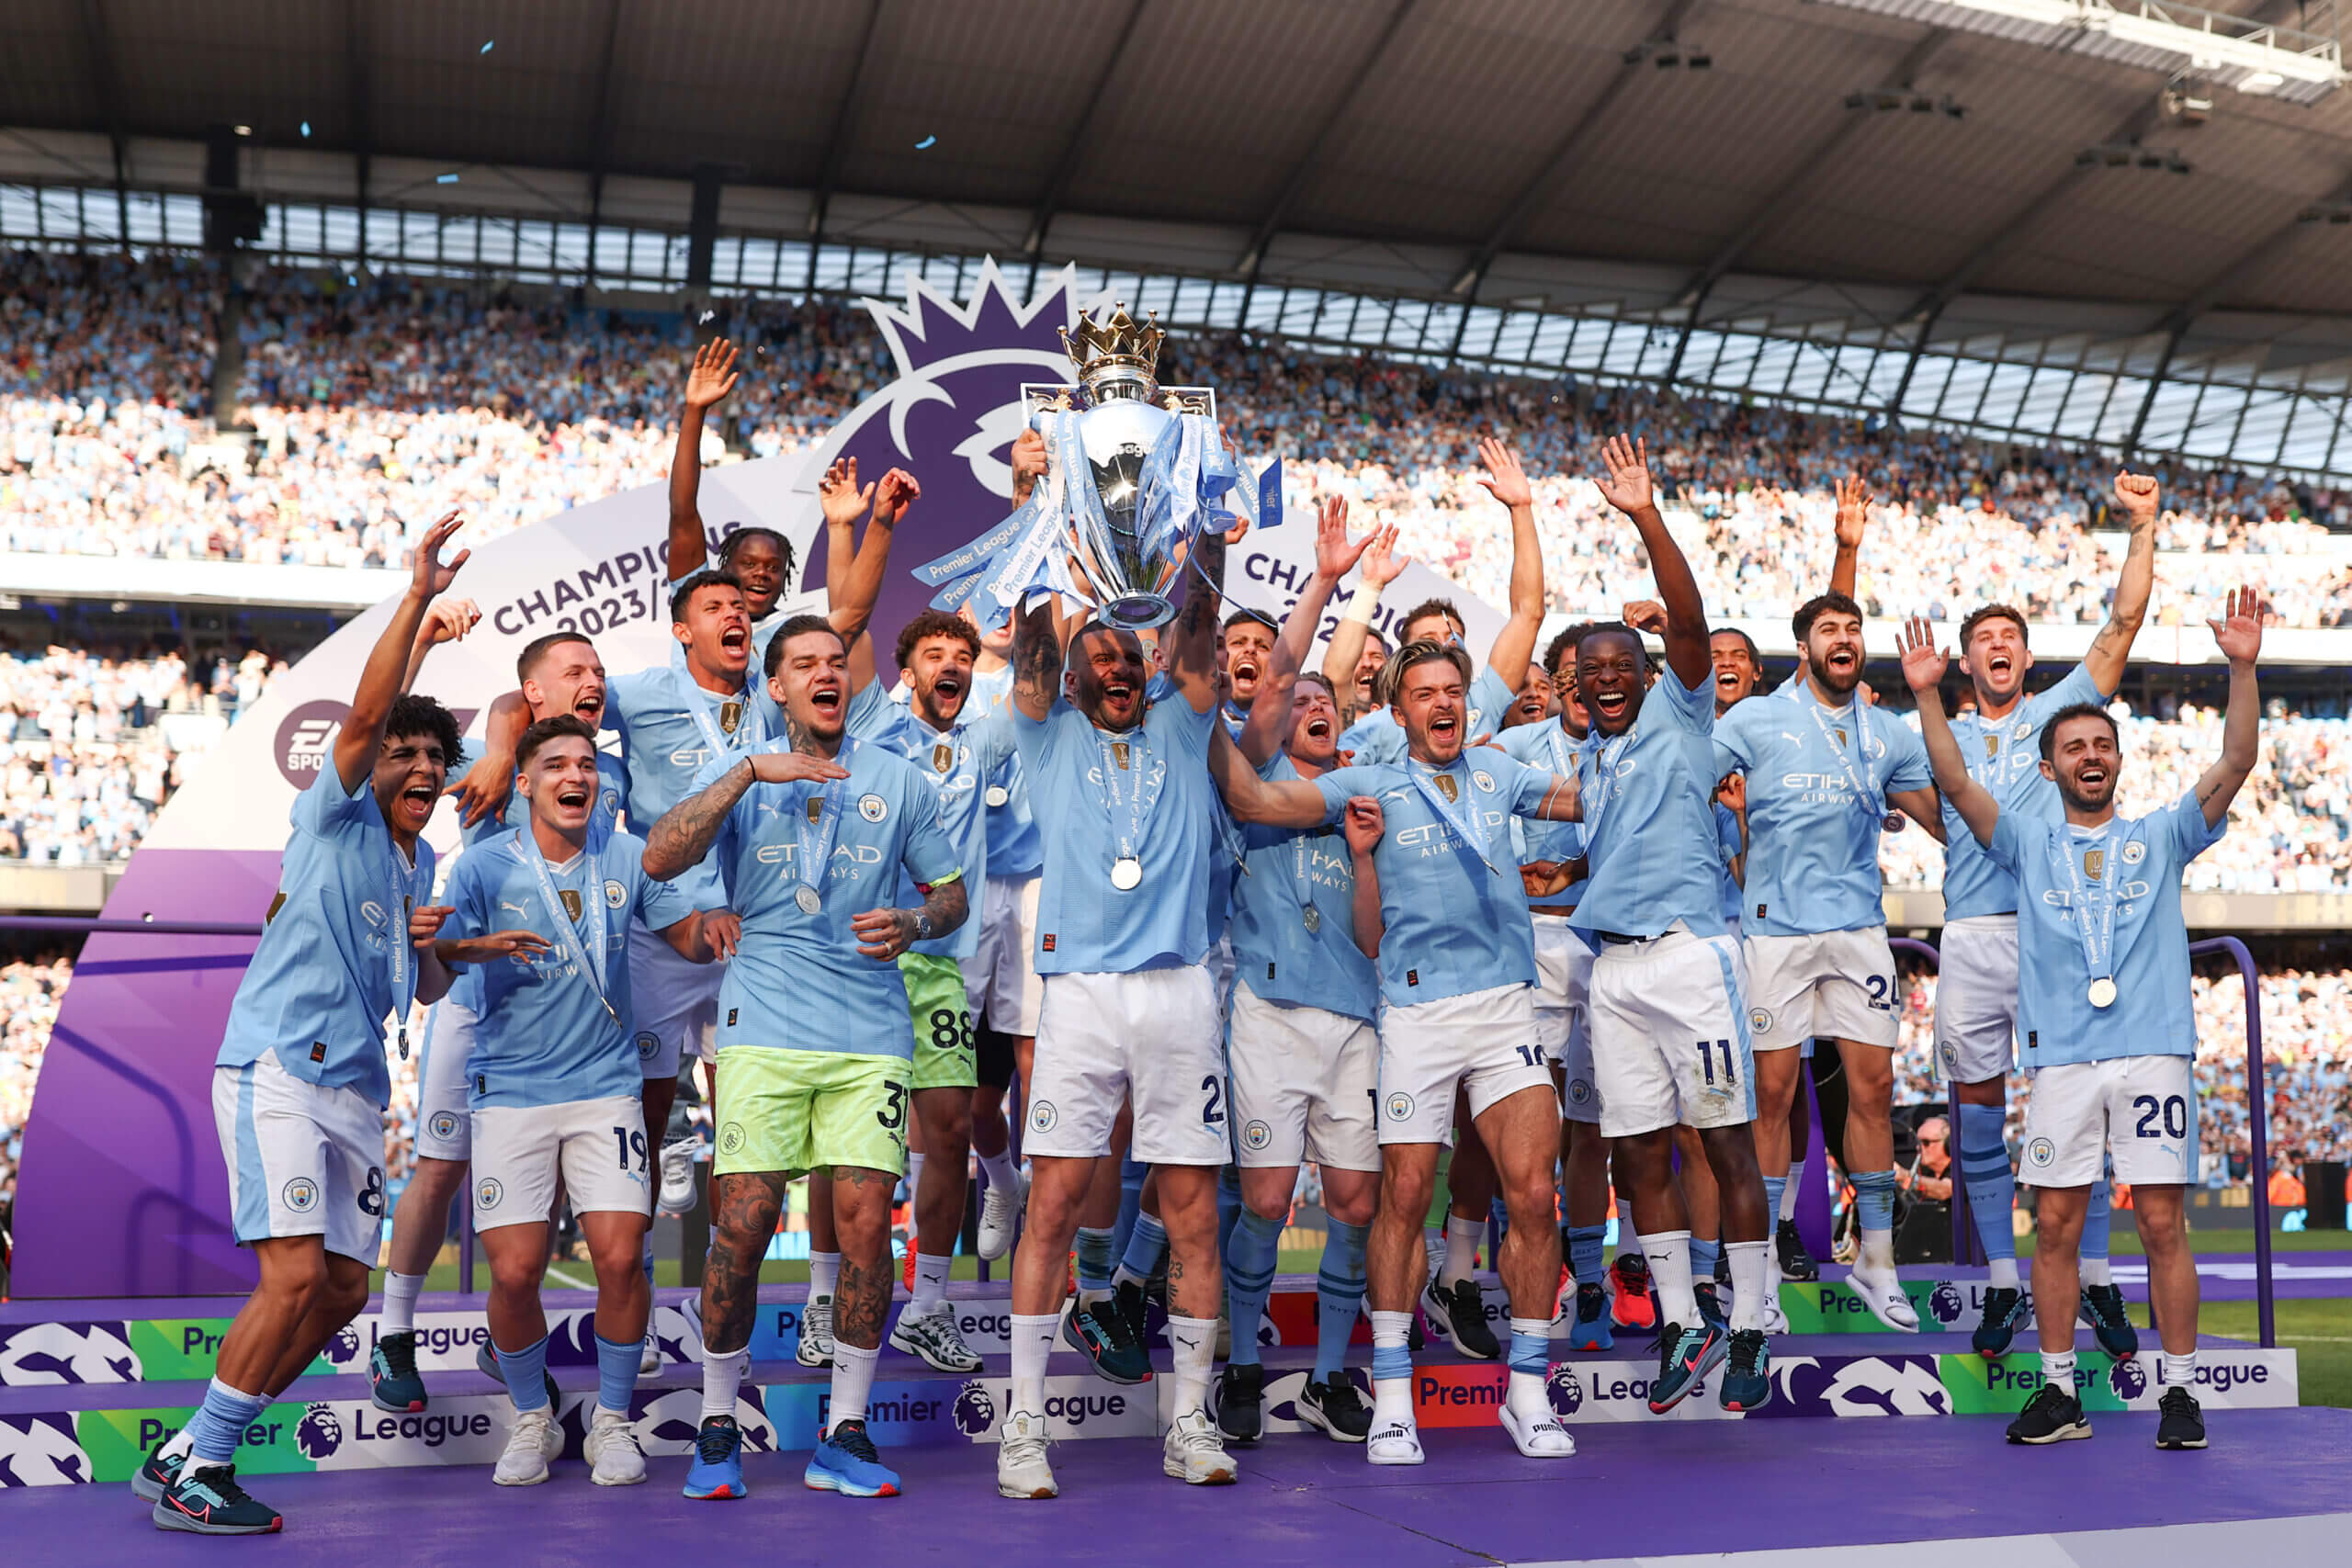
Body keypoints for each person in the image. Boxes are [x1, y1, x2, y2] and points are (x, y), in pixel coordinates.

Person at [146, 513, 470, 1535]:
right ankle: (204, 1465)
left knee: (335, 1292)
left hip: (357, 1092)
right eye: (401, 756)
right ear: (369, 768)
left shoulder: (415, 864)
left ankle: (191, 1447)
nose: (418, 769)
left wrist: (441, 950)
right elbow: (373, 715)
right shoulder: (335, 814)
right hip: (279, 1070)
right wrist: (413, 602)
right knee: (289, 1277)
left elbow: (419, 991)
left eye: (436, 759)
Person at [1211, 630, 1585, 1465]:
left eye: (1453, 689)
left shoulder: (1499, 772)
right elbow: (1256, 802)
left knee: (1531, 1194)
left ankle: (1526, 1393)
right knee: (1403, 1196)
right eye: (1425, 693)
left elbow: (1585, 796)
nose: (1444, 702)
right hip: (1414, 1013)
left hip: (1503, 1007)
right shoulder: (1367, 782)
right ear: (1397, 709)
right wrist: (1202, 707)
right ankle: (1390, 1397)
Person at [1901, 587, 2261, 1452]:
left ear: (2117, 763)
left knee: (2163, 1222)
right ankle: (2060, 1391)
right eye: (2074, 747)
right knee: (2055, 1227)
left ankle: (2180, 1393)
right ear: (2051, 767)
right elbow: (1952, 782)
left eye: (2102, 745)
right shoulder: (2024, 842)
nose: (2090, 756)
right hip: (2062, 1057)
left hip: (2152, 1055)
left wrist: (2242, 667)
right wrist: (1923, 695)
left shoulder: (2164, 832)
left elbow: (2237, 759)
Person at [643, 615, 967, 1502]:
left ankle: (846, 1432)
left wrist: (912, 922)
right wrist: (749, 770)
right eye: (805, 664)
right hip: (764, 1025)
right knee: (742, 1222)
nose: (826, 672)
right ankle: (717, 1423)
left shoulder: (899, 779)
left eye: (836, 662)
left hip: (871, 1033)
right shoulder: (743, 772)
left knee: (867, 1226)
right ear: (776, 687)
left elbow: (952, 897)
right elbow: (662, 853)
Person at [994, 520, 1237, 1500]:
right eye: (1099, 651)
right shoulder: (1043, 734)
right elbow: (1028, 654)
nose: (1117, 660)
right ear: (1075, 674)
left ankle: (1187, 1424)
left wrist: (1207, 546)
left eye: (1130, 649)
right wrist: (1045, 524)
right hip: (1082, 995)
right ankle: (1023, 1428)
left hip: (1180, 990)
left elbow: (1201, 628)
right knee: (1051, 1203)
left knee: (1193, 1218)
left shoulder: (1184, 722)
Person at [434, 716, 728, 1487]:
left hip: (605, 1090)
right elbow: (437, 961)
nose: (577, 776)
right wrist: (467, 947)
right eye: (557, 764)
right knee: (516, 1273)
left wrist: (718, 928)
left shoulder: (628, 854)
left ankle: (614, 1420)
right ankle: (533, 1417)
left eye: (587, 765)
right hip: (513, 1090)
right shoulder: (484, 867)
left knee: (624, 1257)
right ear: (524, 782)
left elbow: (684, 933)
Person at [373, 628, 641, 1413]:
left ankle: (508, 1338)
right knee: (440, 1163)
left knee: (549, 1185)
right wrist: (496, 737)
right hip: (477, 997)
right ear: (532, 699)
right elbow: (467, 723)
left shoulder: (610, 770)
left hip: (572, 1017)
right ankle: (394, 1331)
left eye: (598, 671)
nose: (594, 680)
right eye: (575, 672)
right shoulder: (488, 763)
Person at [1565, 436, 1773, 1416]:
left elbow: (1687, 620)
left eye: (1619, 665)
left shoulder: (1682, 717)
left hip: (1692, 959)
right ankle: (1684, 1323)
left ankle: (1751, 1327)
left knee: (1725, 1143)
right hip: (1610, 973)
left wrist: (1645, 514)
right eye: (1588, 672)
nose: (1605, 679)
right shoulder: (1595, 763)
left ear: (1648, 676)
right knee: (1636, 1152)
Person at [1936, 474, 2159, 1359]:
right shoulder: (1936, 730)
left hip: (2052, 931)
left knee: (2075, 1106)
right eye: (1984, 638)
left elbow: (2121, 627)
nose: (1999, 647)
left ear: (2027, 661)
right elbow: (1926, 804)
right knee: (1979, 1112)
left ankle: (2096, 1282)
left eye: (2011, 639)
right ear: (1964, 661)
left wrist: (2142, 527)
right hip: (1969, 933)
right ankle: (2002, 1285)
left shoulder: (2061, 717)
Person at [1712, 491, 1945, 1335]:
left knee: (1874, 1091)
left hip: (1856, 930)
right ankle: (1766, 1263)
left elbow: (1941, 815)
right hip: (1773, 931)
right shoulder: (1758, 717)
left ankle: (1877, 1262)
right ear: (1803, 648)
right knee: (1771, 1092)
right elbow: (1692, 782)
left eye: (1854, 631)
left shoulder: (1885, 733)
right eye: (1829, 631)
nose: (1844, 642)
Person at [1214, 498, 1391, 1445]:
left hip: (1354, 1020)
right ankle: (1243, 1363)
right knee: (1270, 1201)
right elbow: (1278, 677)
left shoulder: (1364, 801)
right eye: (1301, 706)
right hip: (1270, 1016)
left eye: (1331, 705)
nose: (1314, 709)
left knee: (1356, 1203)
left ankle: (1328, 1375)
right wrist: (1325, 582)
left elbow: (1370, 938)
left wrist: (1363, 855)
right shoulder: (1250, 784)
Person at [847, 609, 1015, 1375]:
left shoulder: (980, 737)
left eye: (962, 656)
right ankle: (832, 1300)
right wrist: (858, 526)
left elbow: (1040, 686)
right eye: (932, 654)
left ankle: (928, 1306)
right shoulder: (874, 723)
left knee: (949, 1131)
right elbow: (850, 622)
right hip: (864, 960)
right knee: (853, 1143)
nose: (950, 664)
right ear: (905, 670)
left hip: (942, 959)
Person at [1496, 625, 1610, 1349]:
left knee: (1594, 1126)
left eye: (1586, 673)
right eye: (1563, 673)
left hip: (1602, 943)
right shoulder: (1516, 747)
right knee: (1536, 1118)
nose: (1574, 684)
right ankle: (1535, 1269)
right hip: (1534, 940)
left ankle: (1592, 1272)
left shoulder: (1624, 744)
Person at [1322, 437, 1545, 762]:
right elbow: (1336, 678)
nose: (1446, 646)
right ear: (1402, 658)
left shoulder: (1483, 701)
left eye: (1453, 638)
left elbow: (1528, 614)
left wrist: (1522, 510)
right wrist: (1370, 587)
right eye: (1429, 641)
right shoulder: (1384, 725)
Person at [1220, 608, 1278, 734]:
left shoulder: (1285, 740)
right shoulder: (1185, 712)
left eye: (1263, 646)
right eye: (1238, 643)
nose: (1251, 649)